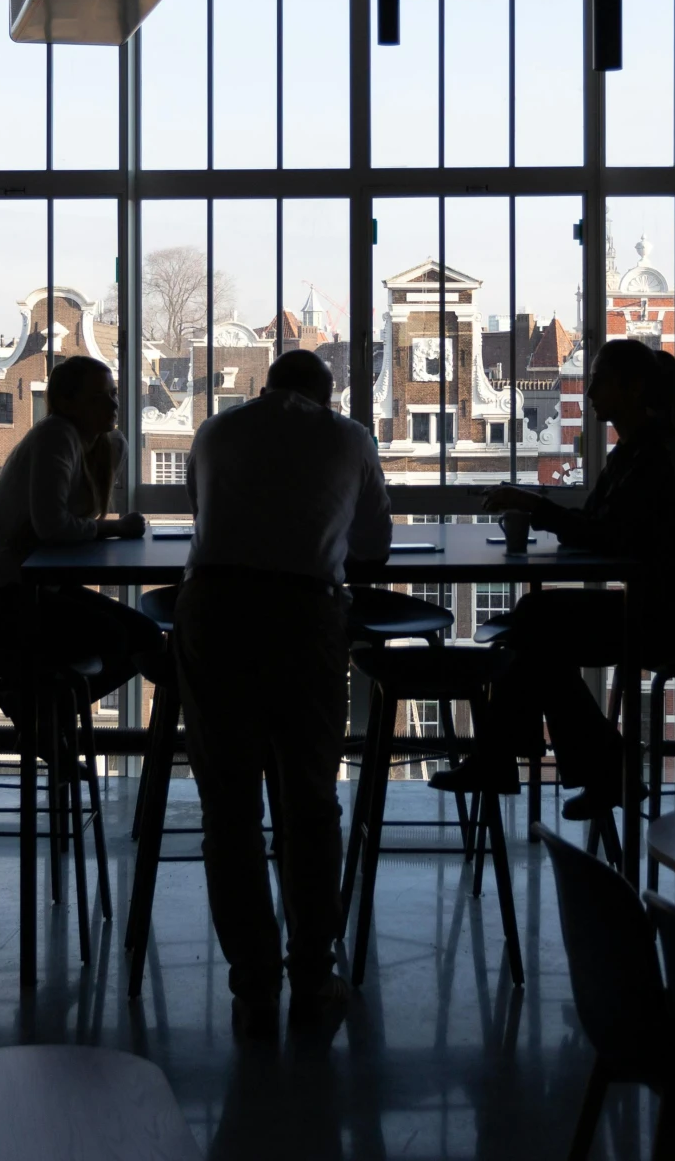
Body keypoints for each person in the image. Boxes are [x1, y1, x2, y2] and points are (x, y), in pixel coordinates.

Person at [178, 347, 392, 1037]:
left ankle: (253, 981)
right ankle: (312, 970)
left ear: (266, 385)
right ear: (327, 395)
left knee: (229, 808)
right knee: (308, 800)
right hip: (303, 617)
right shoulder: (350, 438)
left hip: (214, 611)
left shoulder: (215, 430)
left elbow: (200, 511)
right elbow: (374, 548)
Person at [433, 338, 675, 817]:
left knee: (536, 624)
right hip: (671, 605)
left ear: (630, 389)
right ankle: (588, 766)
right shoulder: (636, 451)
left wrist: (534, 507)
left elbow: (609, 536)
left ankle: (526, 761)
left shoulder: (651, 457)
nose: (588, 391)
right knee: (538, 631)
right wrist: (548, 512)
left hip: (674, 616)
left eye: (598, 381)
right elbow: (600, 526)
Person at [0, 355, 157, 694]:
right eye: (98, 397)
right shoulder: (55, 435)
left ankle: (42, 712)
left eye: (114, 393)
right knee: (128, 637)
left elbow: (60, 525)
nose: (113, 403)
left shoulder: (105, 444)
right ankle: (37, 710)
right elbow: (53, 526)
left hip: (23, 588)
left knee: (141, 636)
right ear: (65, 403)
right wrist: (116, 528)